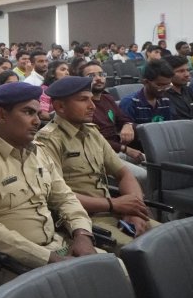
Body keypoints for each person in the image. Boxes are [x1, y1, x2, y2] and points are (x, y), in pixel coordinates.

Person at [0, 82, 96, 287]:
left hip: (62, 246)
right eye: (28, 112)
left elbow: (65, 198)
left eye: (38, 113)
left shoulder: (38, 152)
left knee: (121, 274)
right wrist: (49, 259)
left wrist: (83, 234)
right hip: (15, 265)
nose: (37, 121)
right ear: (2, 115)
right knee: (89, 294)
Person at [36, 76, 158, 252]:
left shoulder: (92, 132)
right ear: (60, 107)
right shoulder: (48, 141)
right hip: (84, 220)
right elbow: (57, 196)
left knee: (171, 238)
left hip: (117, 210)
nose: (92, 106)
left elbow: (123, 173)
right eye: (83, 100)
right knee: (144, 251)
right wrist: (113, 204)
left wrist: (134, 208)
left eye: (91, 99)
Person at [79, 61, 148, 188]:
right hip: (100, 155)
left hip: (117, 150)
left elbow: (123, 117)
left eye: (101, 74)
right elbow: (95, 139)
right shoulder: (83, 106)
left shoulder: (107, 98)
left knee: (154, 162)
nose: (98, 78)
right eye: (91, 76)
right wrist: (126, 149)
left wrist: (127, 124)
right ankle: (142, 205)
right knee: (143, 175)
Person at [119, 60, 173, 124]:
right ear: (146, 82)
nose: (164, 89)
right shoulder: (130, 103)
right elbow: (128, 129)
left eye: (167, 85)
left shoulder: (165, 100)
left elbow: (169, 126)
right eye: (160, 85)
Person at [164, 55, 193, 120]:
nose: (187, 74)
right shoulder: (163, 97)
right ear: (167, 73)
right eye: (181, 71)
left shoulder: (189, 91)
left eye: (187, 70)